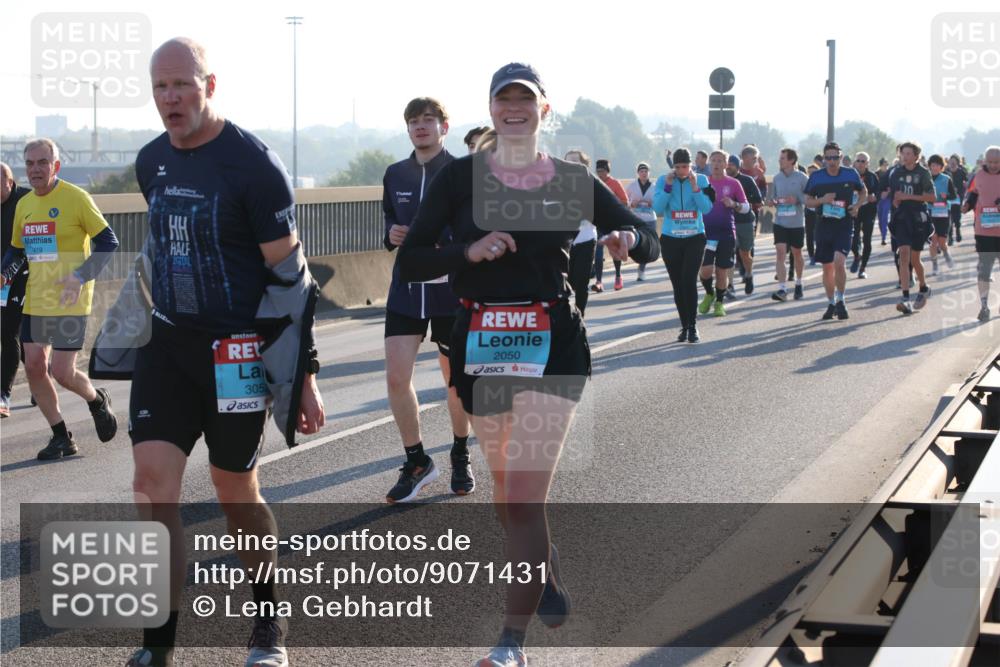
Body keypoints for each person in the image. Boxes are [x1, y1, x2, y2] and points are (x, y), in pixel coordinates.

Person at [396, 62, 658, 667]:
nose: (514, 108)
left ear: (544, 109)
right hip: (484, 341)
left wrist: (628, 243)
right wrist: (469, 249)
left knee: (523, 495)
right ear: (490, 110)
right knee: (506, 492)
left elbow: (641, 232)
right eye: (503, 99)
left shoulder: (569, 179)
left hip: (552, 342)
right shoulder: (461, 177)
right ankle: (547, 565)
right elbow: (411, 261)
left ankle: (511, 641)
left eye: (526, 100)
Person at [120, 38, 326, 667]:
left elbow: (291, 278)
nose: (170, 98)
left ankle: (267, 619)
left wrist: (305, 374)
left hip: (236, 354)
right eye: (160, 87)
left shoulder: (253, 166)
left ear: (211, 84)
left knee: (235, 489)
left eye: (182, 84)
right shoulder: (150, 160)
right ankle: (158, 645)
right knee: (152, 490)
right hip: (168, 346)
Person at [0, 138, 119, 457]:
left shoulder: (76, 198)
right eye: (29, 164)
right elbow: (17, 249)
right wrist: (5, 273)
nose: (35, 169)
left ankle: (96, 400)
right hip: (37, 298)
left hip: (71, 298)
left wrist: (80, 276)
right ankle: (61, 436)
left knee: (62, 372)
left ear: (56, 166)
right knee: (36, 366)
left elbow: (108, 242)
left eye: (42, 163)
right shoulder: (24, 205)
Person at [382, 97, 473, 503]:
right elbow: (389, 220)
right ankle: (417, 460)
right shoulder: (394, 173)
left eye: (428, 120)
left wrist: (446, 243)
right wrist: (392, 235)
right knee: (397, 377)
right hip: (407, 288)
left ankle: (459, 453)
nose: (421, 127)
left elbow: (474, 228)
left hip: (450, 290)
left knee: (454, 382)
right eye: (414, 122)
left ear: (444, 127)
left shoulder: (460, 172)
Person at [653, 148, 713, 342]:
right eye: (678, 167)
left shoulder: (702, 180)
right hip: (671, 238)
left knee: (689, 280)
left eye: (685, 166)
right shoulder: (663, 180)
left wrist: (695, 188)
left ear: (691, 165)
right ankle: (684, 326)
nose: (681, 171)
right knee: (678, 284)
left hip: (694, 237)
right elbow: (657, 208)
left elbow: (707, 208)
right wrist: (669, 188)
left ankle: (693, 326)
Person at [804, 142, 867, 320]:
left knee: (839, 261)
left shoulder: (850, 173)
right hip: (823, 225)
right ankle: (831, 302)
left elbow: (863, 192)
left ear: (841, 157)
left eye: (835, 157)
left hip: (844, 224)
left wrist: (857, 205)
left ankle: (841, 299)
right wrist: (822, 200)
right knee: (827, 267)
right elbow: (807, 200)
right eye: (828, 158)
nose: (832, 161)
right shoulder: (817, 177)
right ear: (824, 159)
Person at [698, 150, 749, 318]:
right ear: (709, 164)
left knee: (721, 272)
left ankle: (719, 303)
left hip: (726, 232)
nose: (717, 164)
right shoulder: (703, 183)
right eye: (714, 161)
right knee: (705, 271)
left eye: (720, 161)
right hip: (706, 233)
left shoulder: (733, 184)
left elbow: (746, 207)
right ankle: (709, 293)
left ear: (726, 164)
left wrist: (733, 204)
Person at [887, 141, 935, 315]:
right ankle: (905, 298)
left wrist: (909, 196)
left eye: (908, 154)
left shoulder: (923, 173)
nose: (905, 157)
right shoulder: (896, 173)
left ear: (916, 156)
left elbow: (932, 197)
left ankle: (923, 286)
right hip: (901, 218)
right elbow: (895, 196)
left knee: (915, 258)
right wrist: (896, 200)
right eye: (903, 153)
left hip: (918, 218)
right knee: (903, 255)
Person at [0, 162, 30, 417]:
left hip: (22, 275)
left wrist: (6, 274)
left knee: (8, 333)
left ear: (10, 182)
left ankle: (3, 396)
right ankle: (41, 374)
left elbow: (20, 249)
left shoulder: (26, 201)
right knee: (13, 337)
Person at [963, 146, 1000, 322]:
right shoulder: (978, 176)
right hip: (984, 231)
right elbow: (972, 194)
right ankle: (984, 306)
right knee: (984, 269)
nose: (993, 165)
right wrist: (967, 205)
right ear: (985, 161)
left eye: (997, 162)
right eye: (990, 162)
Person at [769, 148, 809, 301]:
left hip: (796, 223)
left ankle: (799, 283)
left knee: (797, 253)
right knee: (780, 253)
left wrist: (798, 200)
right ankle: (782, 289)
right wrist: (772, 201)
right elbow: (771, 199)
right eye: (780, 158)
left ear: (792, 160)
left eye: (783, 158)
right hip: (780, 222)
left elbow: (809, 198)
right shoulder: (777, 178)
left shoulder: (802, 178)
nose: (780, 160)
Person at [564, 150, 597, 315]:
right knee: (565, 282)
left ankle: (580, 317)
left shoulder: (593, 186)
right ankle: (566, 318)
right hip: (564, 242)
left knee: (581, 283)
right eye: (567, 162)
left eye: (575, 162)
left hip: (585, 239)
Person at [729, 154, 763, 294]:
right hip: (728, 222)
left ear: (737, 166)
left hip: (745, 221)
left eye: (731, 164)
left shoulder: (747, 180)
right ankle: (729, 286)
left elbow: (758, 200)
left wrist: (743, 201)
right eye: (727, 163)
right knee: (728, 255)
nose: (728, 166)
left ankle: (749, 274)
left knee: (745, 254)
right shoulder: (722, 181)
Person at [594, 158, 629, 290]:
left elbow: (626, 202)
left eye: (602, 171)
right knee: (598, 251)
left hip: (612, 221)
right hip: (597, 222)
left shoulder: (614, 183)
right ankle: (598, 281)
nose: (599, 174)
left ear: (608, 171)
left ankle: (618, 276)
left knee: (614, 249)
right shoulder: (594, 183)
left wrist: (611, 205)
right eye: (597, 171)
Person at [849, 152, 881, 278]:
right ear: (854, 162)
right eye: (859, 161)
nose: (861, 163)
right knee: (853, 238)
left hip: (868, 211)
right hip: (854, 210)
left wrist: (875, 196)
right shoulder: (849, 175)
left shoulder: (872, 177)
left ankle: (862, 268)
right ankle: (857, 255)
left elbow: (879, 192)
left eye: (863, 161)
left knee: (867, 239)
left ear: (867, 163)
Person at [625, 161, 657, 281]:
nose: (644, 173)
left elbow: (658, 203)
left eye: (646, 171)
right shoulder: (632, 186)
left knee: (647, 245)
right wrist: (632, 204)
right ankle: (638, 262)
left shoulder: (654, 186)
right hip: (636, 219)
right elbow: (624, 201)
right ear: (638, 173)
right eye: (641, 171)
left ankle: (642, 269)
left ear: (649, 173)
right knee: (635, 244)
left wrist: (652, 203)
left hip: (650, 219)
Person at [927, 154, 957, 276]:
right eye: (932, 165)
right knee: (933, 240)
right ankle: (935, 265)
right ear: (929, 166)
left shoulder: (946, 178)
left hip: (943, 212)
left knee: (942, 241)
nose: (935, 168)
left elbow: (954, 196)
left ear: (941, 167)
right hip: (930, 211)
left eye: (937, 165)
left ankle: (946, 254)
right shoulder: (926, 178)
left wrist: (947, 197)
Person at [947, 154, 968, 244]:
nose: (952, 164)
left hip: (958, 197)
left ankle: (958, 231)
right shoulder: (946, 172)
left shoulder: (961, 172)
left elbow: (966, 182)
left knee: (957, 218)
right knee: (949, 218)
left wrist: (964, 185)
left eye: (954, 162)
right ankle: (950, 237)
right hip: (948, 198)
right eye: (951, 162)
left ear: (957, 163)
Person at [805, 163, 820, 263]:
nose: (811, 175)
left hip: (820, 211)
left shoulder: (822, 182)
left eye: (813, 173)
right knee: (809, 234)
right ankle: (811, 256)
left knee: (819, 233)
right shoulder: (805, 183)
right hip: (809, 211)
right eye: (809, 173)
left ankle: (820, 253)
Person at [876, 158, 892, 245]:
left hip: (888, 198)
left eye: (887, 164)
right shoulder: (876, 174)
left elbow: (893, 185)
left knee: (885, 217)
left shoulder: (890, 173)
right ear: (880, 165)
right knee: (880, 218)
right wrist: (880, 193)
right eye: (884, 165)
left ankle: (884, 237)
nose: (886, 166)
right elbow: (874, 187)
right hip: (879, 199)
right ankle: (882, 234)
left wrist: (888, 192)